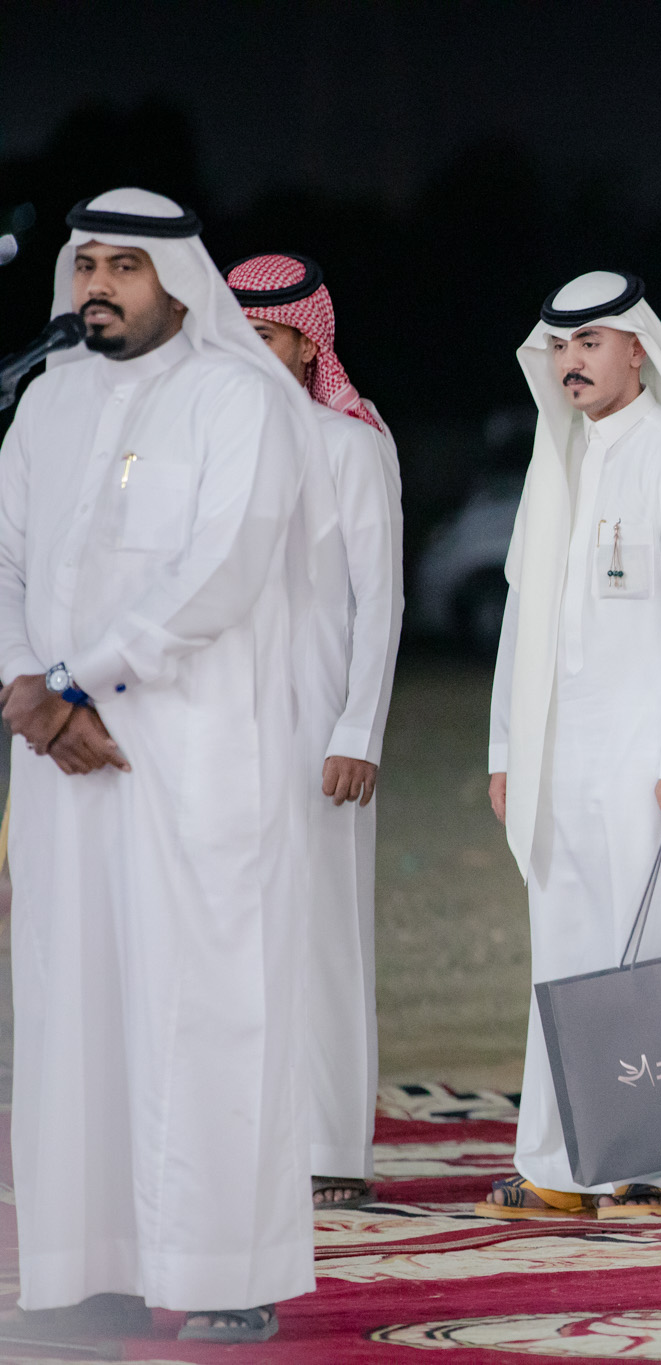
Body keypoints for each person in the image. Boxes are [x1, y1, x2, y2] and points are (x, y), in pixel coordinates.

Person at [0, 188, 324, 1344]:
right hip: (62, 764)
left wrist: (72, 681)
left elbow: (221, 571)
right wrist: (32, 695)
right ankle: (90, 1264)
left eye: (123, 267)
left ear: (178, 282)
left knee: (204, 1003)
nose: (98, 285)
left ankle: (227, 1270)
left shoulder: (240, 400)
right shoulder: (45, 401)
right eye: (86, 264)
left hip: (190, 758)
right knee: (72, 999)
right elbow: (8, 562)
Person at [481, 271, 661, 1218]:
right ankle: (563, 1162)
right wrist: (507, 748)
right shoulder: (555, 463)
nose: (573, 362)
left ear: (638, 348)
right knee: (567, 951)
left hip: (652, 760)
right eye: (561, 346)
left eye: (590, 343)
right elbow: (522, 623)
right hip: (564, 757)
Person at [228, 252, 404, 1212]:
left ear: (307, 344)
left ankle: (331, 1145)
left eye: (264, 335)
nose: (248, 352)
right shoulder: (213, 442)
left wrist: (358, 728)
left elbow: (381, 602)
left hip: (320, 728)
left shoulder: (351, 445)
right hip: (225, 727)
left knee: (323, 930)